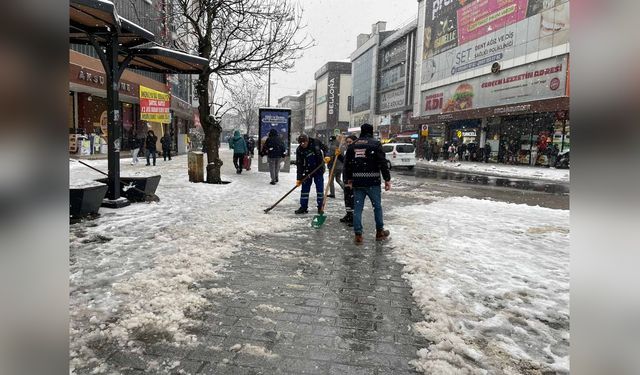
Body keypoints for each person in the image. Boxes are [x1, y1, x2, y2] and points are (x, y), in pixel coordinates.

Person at [344, 123, 391, 244]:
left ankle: (358, 234)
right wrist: (387, 179)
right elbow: (382, 162)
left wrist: (348, 179)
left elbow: (347, 164)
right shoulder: (375, 144)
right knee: (377, 207)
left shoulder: (353, 145)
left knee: (358, 209)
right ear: (371, 131)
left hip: (357, 182)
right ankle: (379, 232)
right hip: (373, 182)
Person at [294, 134, 328, 214]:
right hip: (307, 172)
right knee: (304, 190)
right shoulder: (299, 150)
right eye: (300, 143)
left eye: (304, 142)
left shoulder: (316, 142)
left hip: (318, 169)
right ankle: (303, 207)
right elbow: (299, 164)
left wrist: (327, 156)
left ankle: (320, 207)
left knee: (319, 190)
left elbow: (326, 149)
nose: (302, 144)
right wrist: (299, 178)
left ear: (307, 140)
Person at [339, 135, 358, 226]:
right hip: (346, 178)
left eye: (350, 142)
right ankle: (349, 214)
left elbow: (353, 166)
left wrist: (351, 180)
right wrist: (339, 155)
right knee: (347, 197)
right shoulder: (348, 152)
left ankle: (354, 218)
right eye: (347, 142)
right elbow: (345, 162)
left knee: (352, 198)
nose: (348, 144)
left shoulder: (355, 152)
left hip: (352, 179)